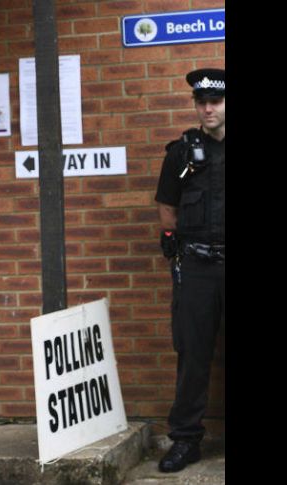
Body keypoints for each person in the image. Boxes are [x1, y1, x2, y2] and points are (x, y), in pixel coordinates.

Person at [154, 68, 225, 473]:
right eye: (202, 102)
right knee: (193, 354)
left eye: (215, 101)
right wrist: (171, 240)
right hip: (196, 265)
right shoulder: (182, 152)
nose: (208, 108)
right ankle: (185, 440)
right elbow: (167, 204)